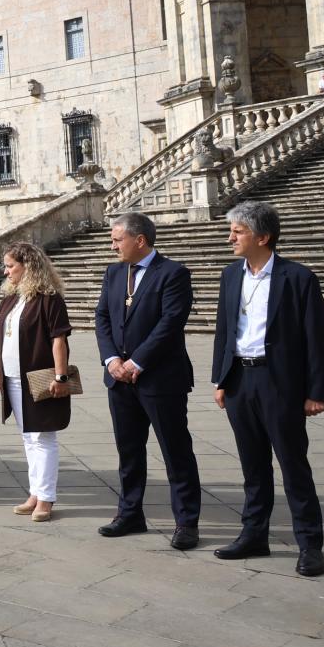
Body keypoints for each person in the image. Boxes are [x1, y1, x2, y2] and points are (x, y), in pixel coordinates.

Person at [210, 201, 324, 576]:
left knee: (293, 465)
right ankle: (254, 534)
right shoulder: (231, 275)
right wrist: (220, 378)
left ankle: (310, 544)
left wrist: (317, 392)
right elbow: (223, 331)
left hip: (280, 383)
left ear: (263, 237)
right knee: (253, 465)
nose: (230, 238)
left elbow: (317, 338)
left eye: (238, 232)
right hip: (239, 381)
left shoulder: (298, 278)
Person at [93, 212, 202, 549]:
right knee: (129, 451)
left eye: (117, 239)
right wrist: (112, 359)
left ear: (139, 240)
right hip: (119, 380)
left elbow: (170, 324)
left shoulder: (172, 273)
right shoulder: (114, 273)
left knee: (175, 450)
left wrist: (138, 361)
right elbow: (102, 317)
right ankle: (130, 513)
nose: (112, 246)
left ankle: (185, 521)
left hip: (160, 379)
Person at [0, 242, 73, 522]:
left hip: (39, 377)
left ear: (28, 266)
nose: (6, 272)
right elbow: (3, 335)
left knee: (43, 436)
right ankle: (35, 492)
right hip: (13, 375)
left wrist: (61, 376)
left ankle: (46, 497)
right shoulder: (11, 299)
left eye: (10, 266)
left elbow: (58, 339)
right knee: (29, 437)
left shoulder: (49, 298)